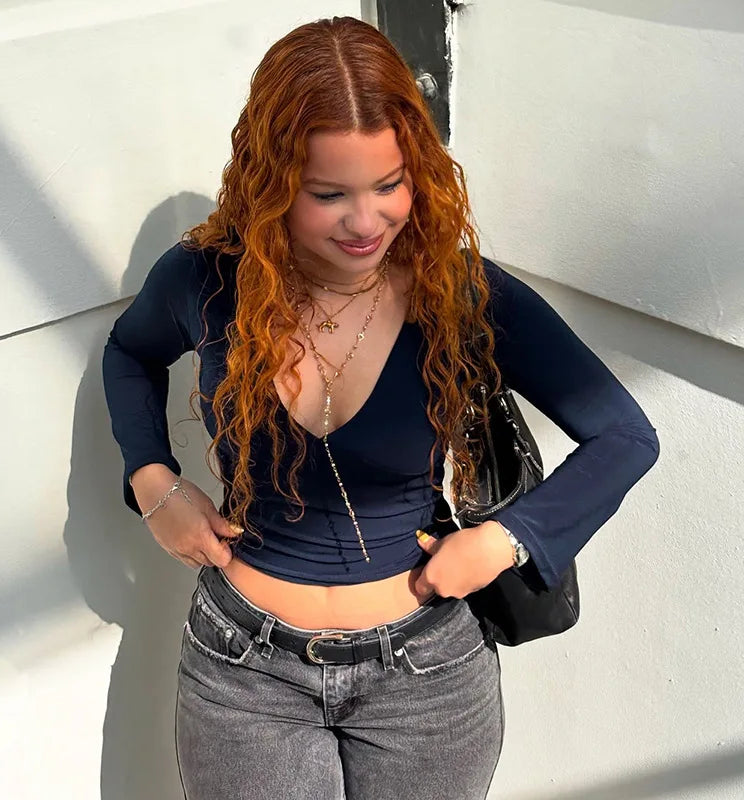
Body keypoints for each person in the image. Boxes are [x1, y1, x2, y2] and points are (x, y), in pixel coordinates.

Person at [102, 15, 660, 800]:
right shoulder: (206, 278)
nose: (366, 222)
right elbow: (128, 353)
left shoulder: (460, 290)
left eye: (389, 184)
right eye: (328, 193)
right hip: (243, 673)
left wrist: (507, 541)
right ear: (271, 181)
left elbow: (625, 437)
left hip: (427, 676)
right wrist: (153, 482)